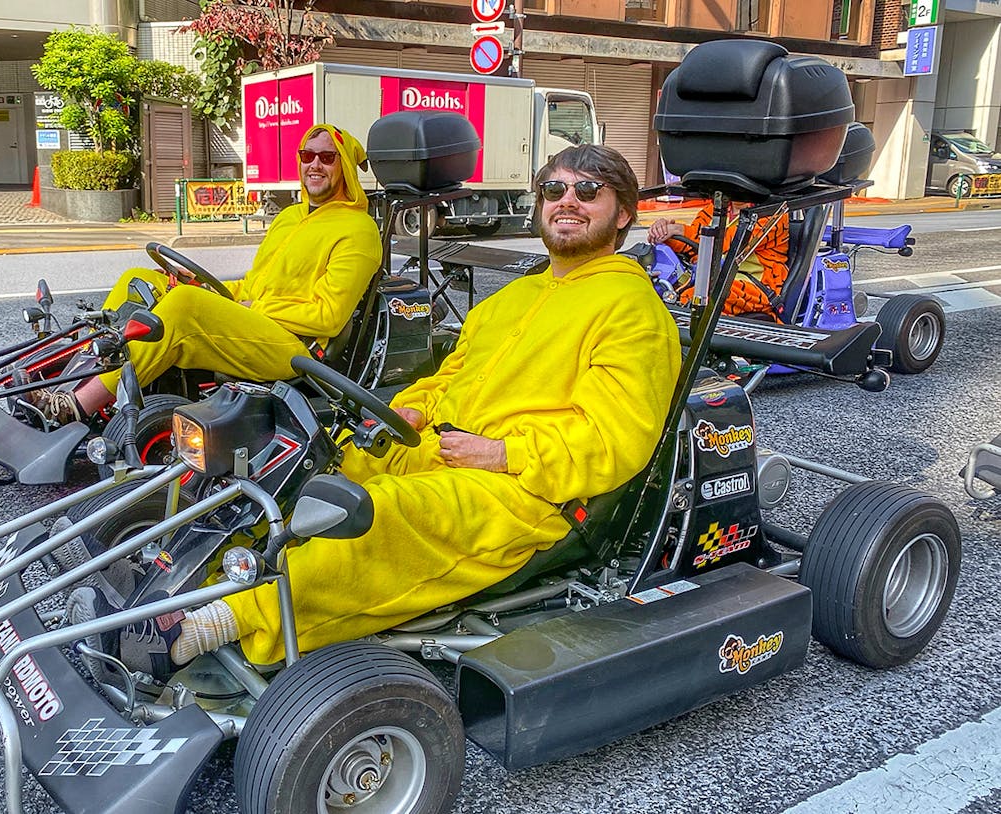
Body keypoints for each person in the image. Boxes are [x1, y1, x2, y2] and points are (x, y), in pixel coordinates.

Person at [71, 144, 682, 676]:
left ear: (623, 213)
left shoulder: (631, 309)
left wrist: (502, 453)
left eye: (588, 192)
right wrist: (410, 409)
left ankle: (209, 626)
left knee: (371, 517)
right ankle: (182, 583)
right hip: (436, 448)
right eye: (554, 189)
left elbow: (616, 440)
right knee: (304, 476)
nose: (567, 201)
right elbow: (448, 376)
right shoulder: (516, 295)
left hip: (522, 489)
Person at [37, 123, 382, 423]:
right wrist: (209, 288)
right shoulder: (291, 217)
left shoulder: (357, 229)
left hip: (297, 346)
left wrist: (251, 308)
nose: (315, 165)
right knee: (140, 280)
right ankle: (72, 378)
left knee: (186, 306)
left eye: (327, 157)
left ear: (346, 167)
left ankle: (76, 406)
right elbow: (254, 282)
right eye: (308, 156)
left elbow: (328, 316)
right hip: (256, 323)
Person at [647, 199, 789, 319]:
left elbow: (729, 242)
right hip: (708, 277)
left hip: (756, 286)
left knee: (696, 298)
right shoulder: (712, 210)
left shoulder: (773, 213)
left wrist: (679, 230)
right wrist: (664, 232)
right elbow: (692, 246)